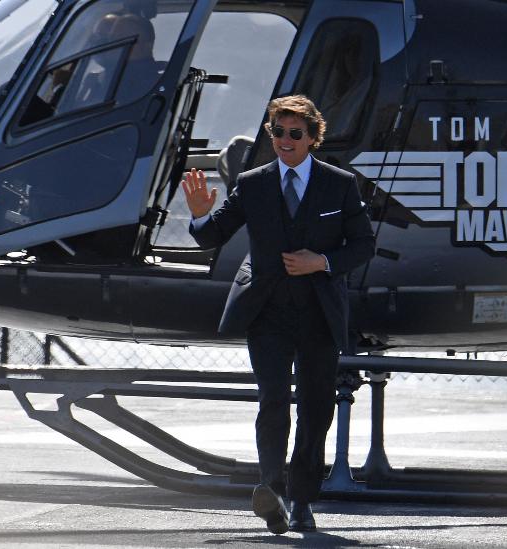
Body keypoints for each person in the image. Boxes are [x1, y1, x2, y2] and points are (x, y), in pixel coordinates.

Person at [182, 95, 375, 534]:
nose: (285, 141)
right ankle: (271, 489)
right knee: (272, 402)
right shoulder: (252, 183)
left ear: (312, 139)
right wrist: (198, 216)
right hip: (266, 312)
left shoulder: (339, 184)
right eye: (278, 132)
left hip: (319, 314)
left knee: (315, 407)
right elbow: (211, 235)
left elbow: (363, 246)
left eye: (294, 133)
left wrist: (321, 262)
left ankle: (302, 497)